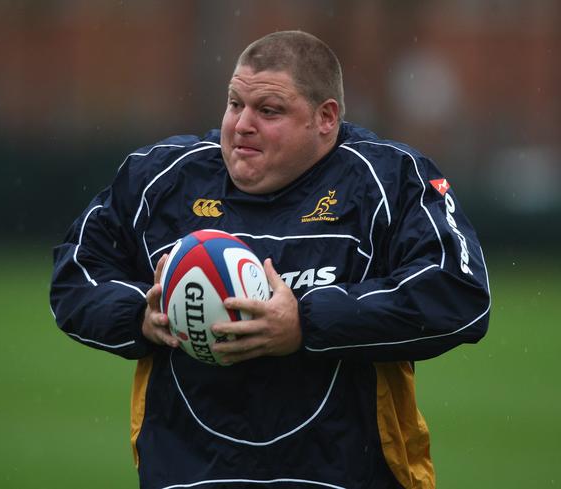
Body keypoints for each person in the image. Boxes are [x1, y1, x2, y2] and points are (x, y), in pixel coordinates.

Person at [50, 30, 490, 489]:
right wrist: (140, 314)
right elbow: (74, 275)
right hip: (190, 478)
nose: (242, 124)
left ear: (325, 118)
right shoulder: (160, 179)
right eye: (235, 103)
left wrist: (305, 323)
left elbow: (459, 294)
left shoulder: (391, 180)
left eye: (269, 110)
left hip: (344, 477)